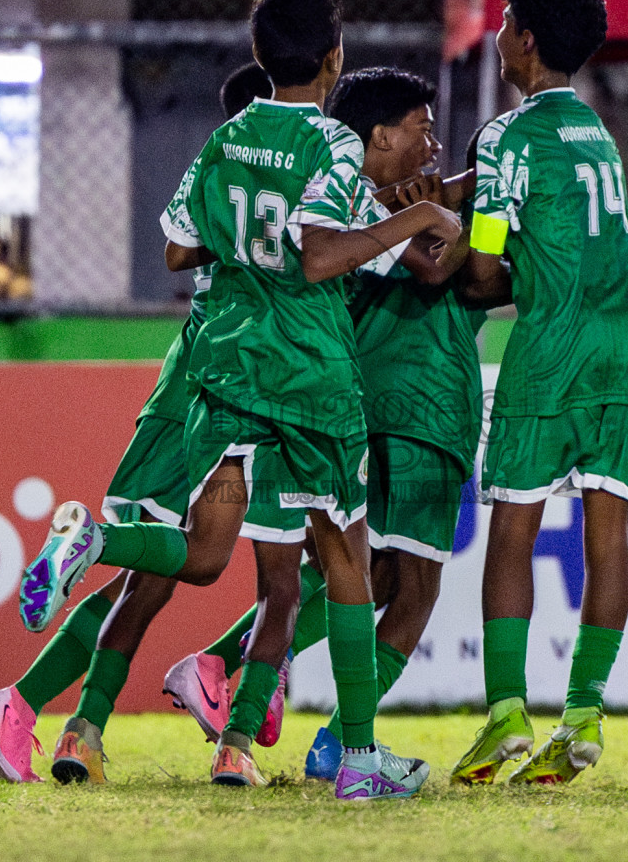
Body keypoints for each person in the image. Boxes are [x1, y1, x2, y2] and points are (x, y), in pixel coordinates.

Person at [24, 0, 462, 799]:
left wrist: (247, 246)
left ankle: (96, 543)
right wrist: (417, 220)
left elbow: (179, 253)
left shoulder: (225, 141)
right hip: (308, 378)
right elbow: (320, 257)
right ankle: (360, 761)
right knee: (344, 559)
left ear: (261, 58)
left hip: (226, 374)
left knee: (200, 551)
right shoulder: (332, 146)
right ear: (333, 60)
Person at [0, 62, 302, 785]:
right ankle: (104, 561)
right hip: (236, 387)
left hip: (187, 380)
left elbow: (177, 253)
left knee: (145, 586)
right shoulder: (290, 177)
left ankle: (58, 722)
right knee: (228, 564)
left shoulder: (218, 180)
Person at [164, 68, 492, 781]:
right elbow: (462, 275)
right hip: (415, 405)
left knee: (320, 575)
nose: (433, 145)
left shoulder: (320, 189)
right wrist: (470, 215)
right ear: (379, 135)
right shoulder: (358, 202)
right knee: (408, 587)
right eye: (422, 129)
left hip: (319, 392)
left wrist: (438, 199)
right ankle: (349, 744)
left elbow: (183, 250)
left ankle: (237, 715)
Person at [450, 0, 628, 786]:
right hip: (627, 346)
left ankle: (505, 712)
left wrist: (442, 248)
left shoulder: (507, 137)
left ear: (525, 42)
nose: (499, 35)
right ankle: (585, 713)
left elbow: (484, 267)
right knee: (611, 538)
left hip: (553, 347)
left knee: (514, 530)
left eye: (504, 23)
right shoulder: (596, 133)